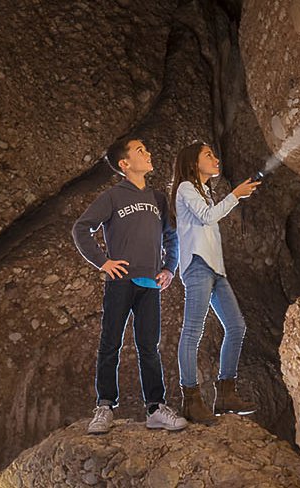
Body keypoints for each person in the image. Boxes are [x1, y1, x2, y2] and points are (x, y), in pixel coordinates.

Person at [72, 134, 188, 435]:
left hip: (150, 283)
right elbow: (81, 228)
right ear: (125, 163)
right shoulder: (113, 197)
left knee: (149, 346)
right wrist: (103, 262)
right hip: (120, 282)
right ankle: (105, 406)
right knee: (110, 343)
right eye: (140, 150)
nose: (148, 152)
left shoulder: (158, 199)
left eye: (146, 148)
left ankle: (155, 409)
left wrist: (169, 268)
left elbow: (171, 237)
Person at [170, 141, 261, 424]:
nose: (216, 159)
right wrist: (235, 195)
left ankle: (225, 393)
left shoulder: (205, 191)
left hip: (215, 269)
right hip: (198, 266)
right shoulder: (186, 187)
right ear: (193, 162)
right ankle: (191, 400)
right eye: (208, 155)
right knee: (192, 332)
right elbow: (207, 217)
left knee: (236, 326)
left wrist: (233, 195)